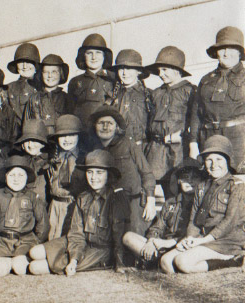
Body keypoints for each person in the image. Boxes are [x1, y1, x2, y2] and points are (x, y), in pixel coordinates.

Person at [28, 150, 129, 275]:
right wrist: (74, 259)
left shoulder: (116, 198)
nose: (94, 177)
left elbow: (119, 237)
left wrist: (119, 263)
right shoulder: (83, 198)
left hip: (100, 251)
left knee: (35, 267)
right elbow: (76, 233)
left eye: (99, 172)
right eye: (90, 172)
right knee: (35, 252)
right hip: (79, 242)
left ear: (109, 175)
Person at [171, 136, 245, 273]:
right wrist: (190, 239)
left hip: (227, 242)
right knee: (166, 263)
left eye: (219, 159)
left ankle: (232, 262)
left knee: (182, 262)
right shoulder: (202, 187)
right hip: (204, 240)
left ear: (228, 162)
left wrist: (202, 241)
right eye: (209, 160)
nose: (214, 164)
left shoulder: (237, 186)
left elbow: (229, 222)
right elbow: (194, 220)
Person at [122, 159, 204, 272]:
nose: (190, 181)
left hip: (182, 246)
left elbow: (197, 233)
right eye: (185, 177)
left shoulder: (201, 204)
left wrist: (170, 242)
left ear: (201, 180)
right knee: (128, 237)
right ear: (179, 181)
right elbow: (158, 226)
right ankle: (155, 262)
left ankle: (155, 263)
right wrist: (151, 242)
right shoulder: (170, 203)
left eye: (195, 177)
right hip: (162, 245)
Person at [89, 106, 157, 236]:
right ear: (94, 126)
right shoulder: (95, 149)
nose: (105, 127)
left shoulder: (128, 144)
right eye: (101, 123)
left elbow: (147, 173)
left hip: (133, 205)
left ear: (116, 127)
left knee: (134, 242)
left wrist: (151, 201)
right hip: (108, 206)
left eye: (110, 123)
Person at [191, 26, 245, 173]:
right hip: (209, 138)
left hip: (239, 141)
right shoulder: (206, 80)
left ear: (240, 52)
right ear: (216, 53)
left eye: (231, 49)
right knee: (212, 180)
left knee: (239, 182)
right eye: (222, 49)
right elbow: (196, 114)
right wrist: (193, 143)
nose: (226, 53)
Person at [0, 156, 48, 276]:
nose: (16, 179)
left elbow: (42, 224)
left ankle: (17, 260)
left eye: (20, 175)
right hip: (1, 243)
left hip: (25, 242)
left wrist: (36, 241)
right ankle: (5, 260)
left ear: (26, 177)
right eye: (12, 175)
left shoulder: (33, 197)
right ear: (6, 176)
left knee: (20, 268)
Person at [144, 46, 195, 187]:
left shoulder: (189, 92)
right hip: (156, 152)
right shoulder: (156, 94)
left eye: (164, 70)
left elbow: (195, 122)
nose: (160, 74)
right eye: (159, 70)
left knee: (179, 190)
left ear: (177, 70)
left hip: (178, 151)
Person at [46, 114, 86, 240]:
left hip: (73, 207)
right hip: (55, 207)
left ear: (79, 137)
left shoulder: (84, 159)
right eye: (63, 136)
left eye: (72, 135)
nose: (67, 139)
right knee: (51, 241)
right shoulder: (54, 158)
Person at [68, 33, 115, 133]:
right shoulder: (75, 82)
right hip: (81, 135)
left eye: (98, 53)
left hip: (105, 135)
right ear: (83, 56)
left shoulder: (113, 80)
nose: (94, 57)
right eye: (89, 53)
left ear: (104, 56)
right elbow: (70, 113)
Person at [108, 49, 152, 146]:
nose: (124, 73)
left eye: (129, 69)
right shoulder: (112, 96)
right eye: (121, 69)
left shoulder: (149, 95)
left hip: (141, 148)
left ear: (139, 71)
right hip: (117, 148)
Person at [24, 54, 73, 136]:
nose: (50, 76)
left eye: (54, 72)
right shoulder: (33, 99)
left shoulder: (67, 98)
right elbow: (27, 125)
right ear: (41, 74)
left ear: (61, 74)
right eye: (46, 72)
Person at [13, 120, 50, 201]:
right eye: (26, 141)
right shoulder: (21, 162)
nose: (30, 145)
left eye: (34, 141)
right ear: (22, 145)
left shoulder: (49, 162)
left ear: (43, 142)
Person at [6, 42, 41, 125]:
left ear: (36, 64)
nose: (25, 66)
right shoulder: (9, 88)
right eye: (21, 62)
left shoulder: (44, 86)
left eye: (29, 62)